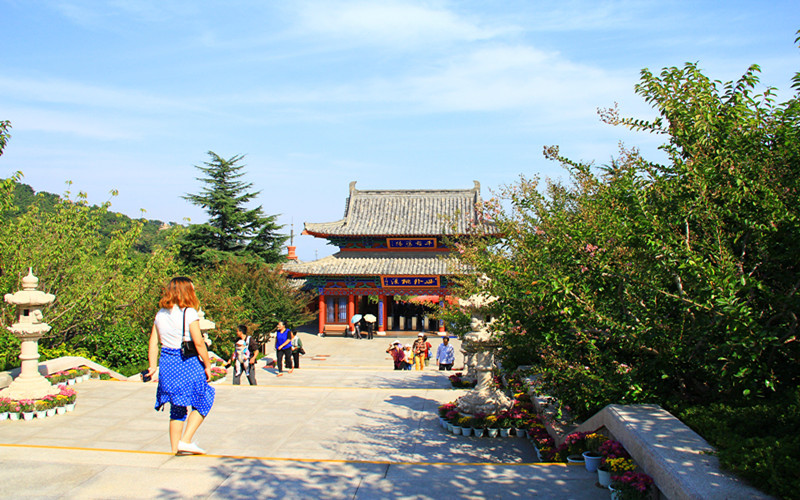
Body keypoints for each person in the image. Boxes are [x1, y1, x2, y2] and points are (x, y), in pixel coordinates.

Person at [147, 276, 215, 455]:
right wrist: (207, 364)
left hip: (167, 361)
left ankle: (175, 449)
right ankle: (185, 440)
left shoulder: (160, 313)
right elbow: (199, 342)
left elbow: (153, 342)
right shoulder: (189, 312)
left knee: (176, 407)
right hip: (186, 361)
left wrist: (152, 366)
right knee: (204, 397)